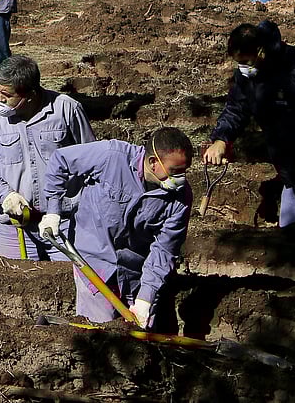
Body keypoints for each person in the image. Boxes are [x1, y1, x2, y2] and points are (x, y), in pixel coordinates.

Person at [203, 20, 295, 227]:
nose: (243, 68)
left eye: (247, 61)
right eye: (239, 63)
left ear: (261, 51)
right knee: (289, 228)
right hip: (291, 169)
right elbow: (236, 108)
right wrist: (221, 138)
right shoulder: (247, 77)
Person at [41, 127, 194, 328]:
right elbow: (60, 160)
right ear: (153, 162)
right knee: (102, 333)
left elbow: (164, 250)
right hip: (93, 262)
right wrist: (53, 211)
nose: (181, 179)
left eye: (184, 171)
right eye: (175, 172)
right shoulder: (111, 156)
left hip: (136, 272)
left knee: (140, 334)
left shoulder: (180, 199)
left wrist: (144, 300)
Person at [0, 55, 96, 260]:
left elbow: (92, 160)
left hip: (63, 224)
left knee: (68, 284)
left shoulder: (67, 110)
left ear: (30, 94)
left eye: (6, 94)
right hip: (15, 226)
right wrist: (4, 194)